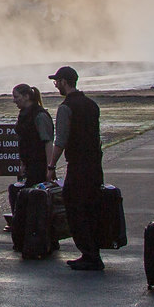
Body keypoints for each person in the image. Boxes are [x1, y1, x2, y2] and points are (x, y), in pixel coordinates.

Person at [47, 65, 106, 271]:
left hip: (78, 166)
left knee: (74, 208)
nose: (56, 86)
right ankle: (93, 252)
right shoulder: (91, 105)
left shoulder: (66, 108)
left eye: (57, 82)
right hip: (94, 165)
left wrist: (51, 165)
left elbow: (61, 140)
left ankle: (89, 255)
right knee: (91, 209)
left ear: (64, 82)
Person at [12, 83, 54, 185]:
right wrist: (22, 164)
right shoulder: (23, 114)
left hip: (39, 166)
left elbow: (48, 143)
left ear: (26, 96)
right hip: (29, 165)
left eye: (16, 97)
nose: (14, 100)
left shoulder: (39, 115)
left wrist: (50, 169)